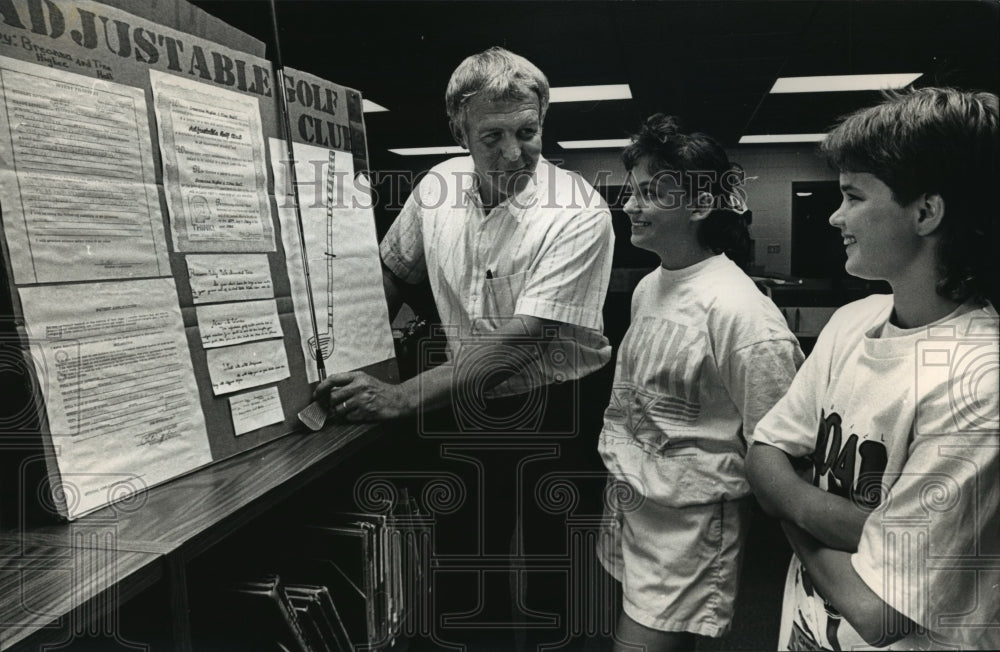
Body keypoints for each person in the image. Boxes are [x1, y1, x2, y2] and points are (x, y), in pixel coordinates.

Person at [315, 47, 615, 647]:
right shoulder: (436, 187)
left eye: (527, 132)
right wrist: (340, 352)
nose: (513, 153)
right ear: (460, 131)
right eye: (492, 136)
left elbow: (522, 341)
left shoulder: (578, 209)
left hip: (558, 404)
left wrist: (399, 398)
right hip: (467, 395)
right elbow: (393, 274)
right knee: (463, 553)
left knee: (553, 570)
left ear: (544, 119)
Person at [746, 87, 999, 650]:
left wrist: (792, 509)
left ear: (926, 212)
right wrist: (856, 526)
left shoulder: (978, 382)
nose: (835, 217)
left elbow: (879, 614)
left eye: (853, 197)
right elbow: (762, 457)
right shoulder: (852, 321)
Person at [597, 114, 804, 651]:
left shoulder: (742, 313)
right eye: (631, 190)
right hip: (632, 502)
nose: (630, 205)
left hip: (689, 527)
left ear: (699, 204)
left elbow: (778, 443)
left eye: (649, 193)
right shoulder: (649, 286)